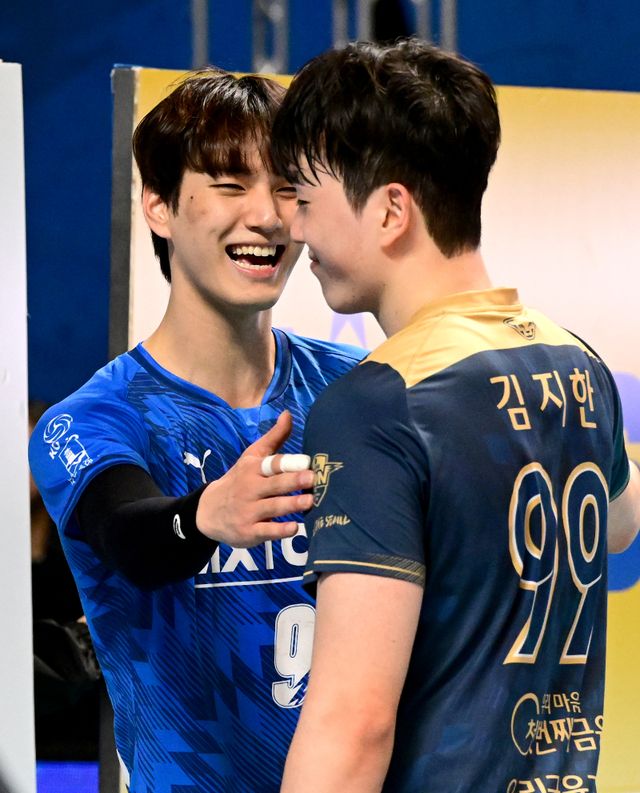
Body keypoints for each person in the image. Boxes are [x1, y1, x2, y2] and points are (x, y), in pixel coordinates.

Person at [269, 39, 640, 792]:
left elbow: (353, 723)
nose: (295, 231)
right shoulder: (577, 361)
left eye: (305, 201)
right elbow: (619, 523)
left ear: (391, 211)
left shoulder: (378, 405)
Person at [28, 68, 364, 793]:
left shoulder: (360, 388)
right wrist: (205, 515)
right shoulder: (90, 420)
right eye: (231, 185)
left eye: (286, 187)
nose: (267, 216)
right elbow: (129, 536)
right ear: (158, 205)